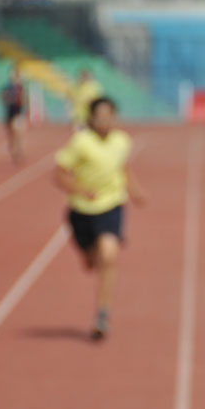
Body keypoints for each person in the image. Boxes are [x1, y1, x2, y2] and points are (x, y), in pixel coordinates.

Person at [54, 96, 145, 339]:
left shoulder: (122, 141)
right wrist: (81, 190)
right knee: (92, 261)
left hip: (111, 206)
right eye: (99, 115)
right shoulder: (80, 142)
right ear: (91, 118)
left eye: (109, 115)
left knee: (109, 255)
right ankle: (87, 253)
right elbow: (59, 174)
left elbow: (123, 167)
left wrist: (135, 191)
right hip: (81, 211)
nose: (104, 120)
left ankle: (102, 313)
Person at [0, 66, 26, 164]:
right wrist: (9, 99)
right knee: (11, 134)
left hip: (18, 114)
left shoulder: (20, 87)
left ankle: (17, 150)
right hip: (9, 113)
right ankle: (13, 147)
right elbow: (1, 98)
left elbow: (23, 101)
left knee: (18, 133)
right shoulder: (7, 87)